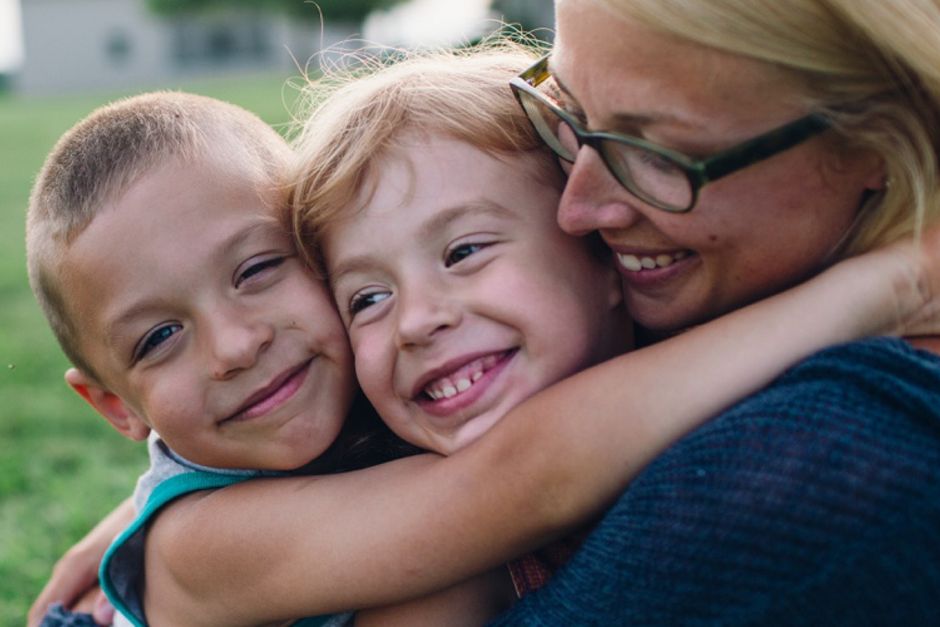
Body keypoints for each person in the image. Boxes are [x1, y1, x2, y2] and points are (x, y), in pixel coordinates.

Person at [25, 45, 940, 626]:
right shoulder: (197, 549)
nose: (232, 345)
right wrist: (886, 288)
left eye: (259, 271)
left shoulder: (350, 416)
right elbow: (524, 478)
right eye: (156, 342)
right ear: (113, 403)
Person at [486, 0, 940, 623]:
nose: (577, 211)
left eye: (658, 152)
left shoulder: (817, 469)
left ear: (881, 143)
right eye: (569, 108)